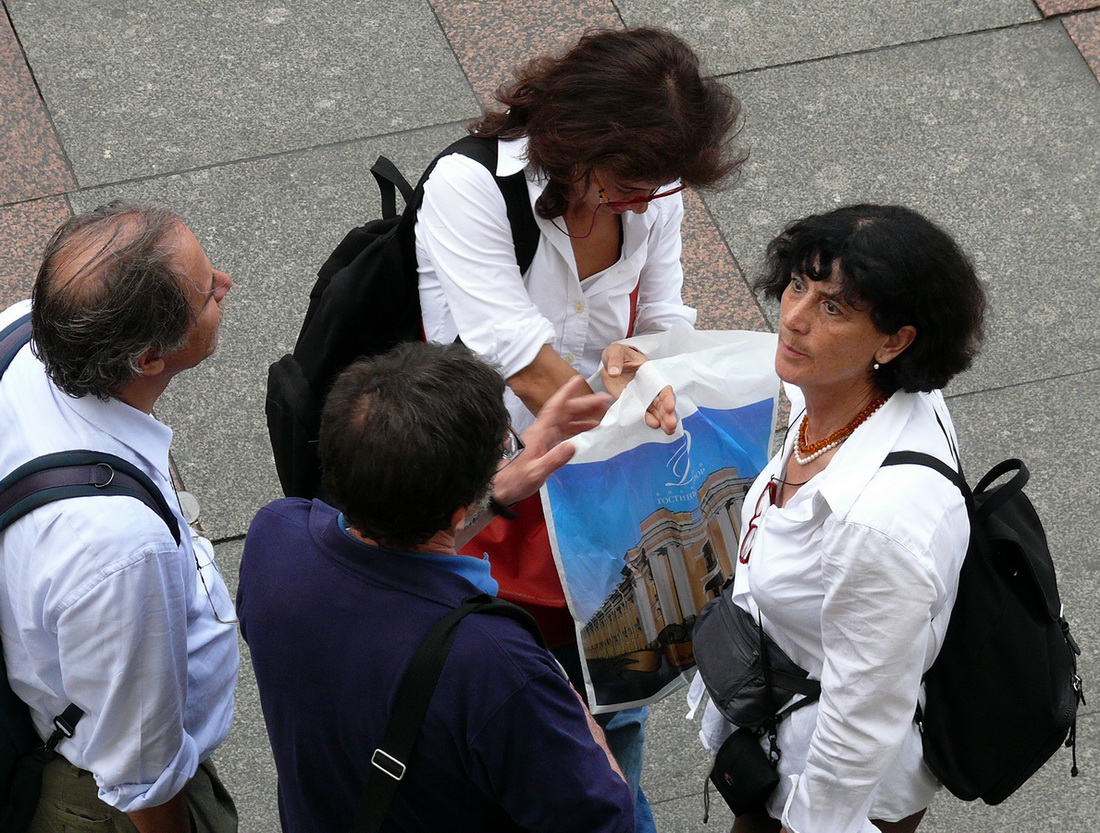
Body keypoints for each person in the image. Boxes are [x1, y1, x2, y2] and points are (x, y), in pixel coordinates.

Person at [415, 26, 745, 823]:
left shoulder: (648, 198)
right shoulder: (470, 186)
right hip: (493, 483)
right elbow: (515, 354)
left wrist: (650, 371)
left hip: (595, 490)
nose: (644, 202)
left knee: (612, 695)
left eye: (658, 187)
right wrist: (624, 418)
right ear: (577, 139)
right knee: (506, 695)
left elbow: (662, 316)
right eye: (627, 181)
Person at [236, 341, 635, 833]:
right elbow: (604, 820)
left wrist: (492, 493)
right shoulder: (495, 664)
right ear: (456, 513)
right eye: (505, 447)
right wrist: (574, 709)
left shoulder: (275, 538)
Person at [689, 204, 987, 833]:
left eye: (833, 308)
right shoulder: (854, 395)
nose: (793, 318)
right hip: (781, 730)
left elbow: (862, 719)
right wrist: (657, 375)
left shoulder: (877, 524)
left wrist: (808, 824)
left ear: (895, 340)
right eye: (797, 285)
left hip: (827, 789)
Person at [0, 201, 239, 833]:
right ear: (149, 360)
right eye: (207, 293)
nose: (226, 285)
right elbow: (141, 768)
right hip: (99, 801)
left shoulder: (22, 331)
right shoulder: (120, 547)